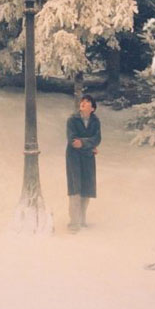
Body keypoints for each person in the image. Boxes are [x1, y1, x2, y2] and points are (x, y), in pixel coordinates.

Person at [65, 94, 101, 233]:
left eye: (87, 102)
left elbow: (97, 138)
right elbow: (73, 141)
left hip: (88, 158)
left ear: (92, 108)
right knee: (75, 188)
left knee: (87, 188)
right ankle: (74, 223)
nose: (83, 103)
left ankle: (82, 219)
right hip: (74, 158)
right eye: (82, 101)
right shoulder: (72, 120)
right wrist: (89, 145)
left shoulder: (95, 122)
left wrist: (84, 143)